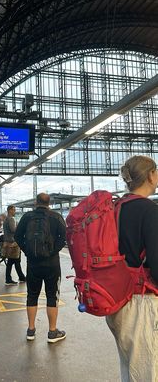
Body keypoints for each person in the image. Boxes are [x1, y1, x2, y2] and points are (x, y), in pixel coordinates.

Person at [106, 155, 158, 382]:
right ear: (150, 175)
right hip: (141, 302)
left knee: (130, 366)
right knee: (148, 370)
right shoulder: (149, 210)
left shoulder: (115, 208)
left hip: (117, 298)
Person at [14, 193, 66, 343]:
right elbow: (64, 237)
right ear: (49, 203)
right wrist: (52, 252)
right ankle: (52, 332)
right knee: (52, 296)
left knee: (32, 295)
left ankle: (31, 330)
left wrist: (28, 251)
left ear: (36, 203)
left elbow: (18, 236)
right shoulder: (56, 217)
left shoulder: (27, 217)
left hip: (33, 264)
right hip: (52, 265)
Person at [3, 205, 26, 285]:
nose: (15, 211)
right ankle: (9, 279)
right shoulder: (11, 219)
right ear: (9, 210)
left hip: (8, 242)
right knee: (13, 261)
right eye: (13, 210)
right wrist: (19, 227)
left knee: (14, 261)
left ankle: (21, 277)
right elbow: (14, 230)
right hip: (13, 243)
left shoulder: (6, 219)